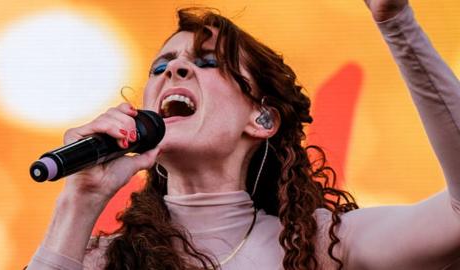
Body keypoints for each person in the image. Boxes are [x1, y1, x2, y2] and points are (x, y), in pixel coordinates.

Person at [27, 0, 460, 269]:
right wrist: (80, 200)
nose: (175, 69)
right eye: (161, 67)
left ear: (263, 121)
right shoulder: (101, 259)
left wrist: (398, 24)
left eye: (208, 62)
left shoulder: (322, 245)